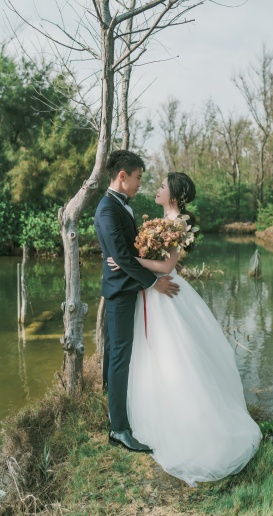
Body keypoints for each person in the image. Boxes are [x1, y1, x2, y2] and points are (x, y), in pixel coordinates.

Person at [107, 172, 262, 486]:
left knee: (174, 353)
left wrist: (127, 260)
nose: (157, 188)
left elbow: (166, 266)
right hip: (152, 289)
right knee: (151, 352)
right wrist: (136, 261)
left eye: (163, 186)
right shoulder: (160, 219)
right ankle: (148, 411)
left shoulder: (178, 223)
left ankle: (188, 418)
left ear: (174, 195)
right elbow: (169, 261)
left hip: (166, 291)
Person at [94, 150, 180, 453]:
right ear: (122, 176)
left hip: (126, 286)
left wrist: (139, 259)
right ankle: (118, 429)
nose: (140, 184)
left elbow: (126, 254)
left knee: (118, 355)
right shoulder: (107, 209)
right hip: (119, 292)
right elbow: (119, 255)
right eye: (138, 178)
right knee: (120, 357)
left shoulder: (121, 206)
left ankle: (114, 407)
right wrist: (154, 282)